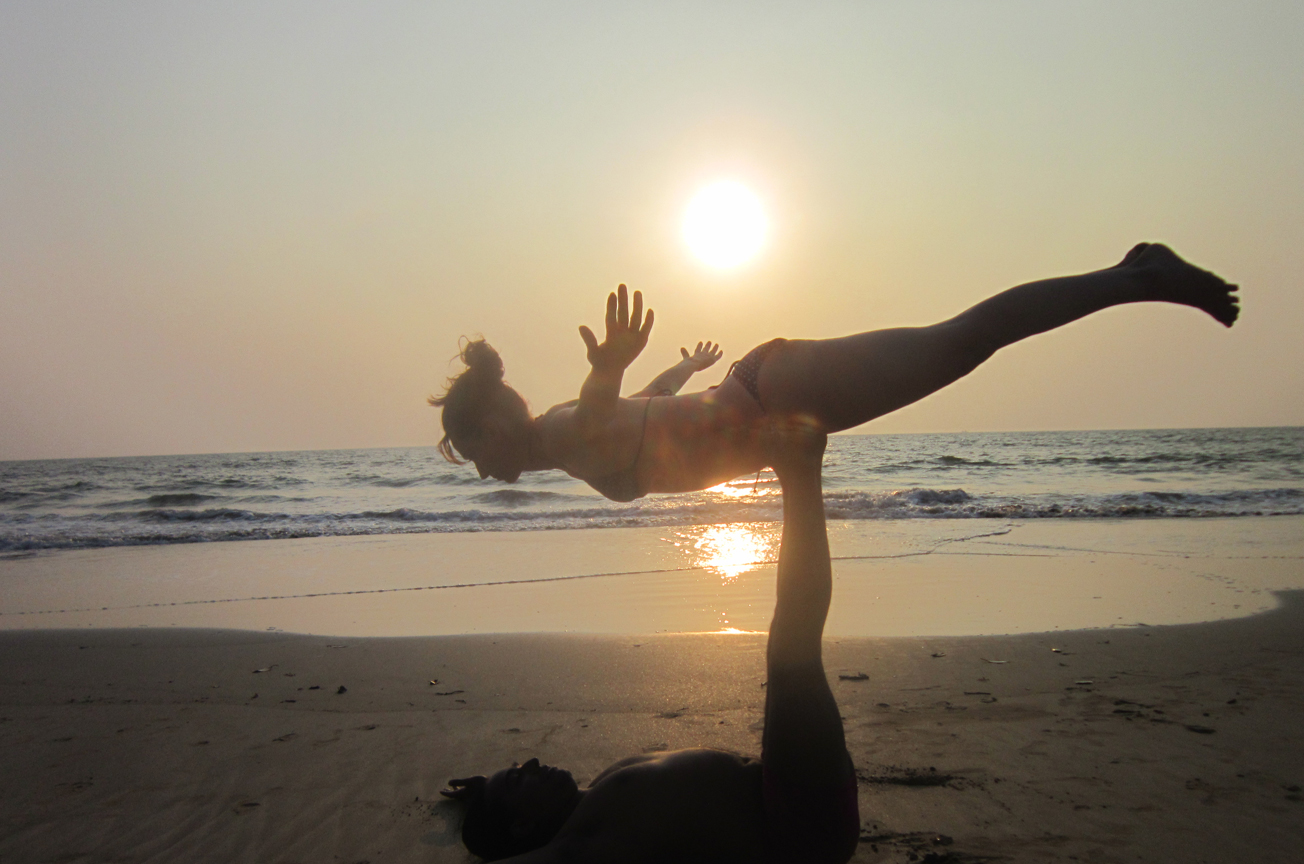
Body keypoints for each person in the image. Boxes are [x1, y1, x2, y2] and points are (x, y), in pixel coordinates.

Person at [431, 243, 1239, 501]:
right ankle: (1132, 277)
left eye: (475, 452)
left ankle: (1135, 274)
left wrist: (607, 368)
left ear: (494, 419)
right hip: (762, 393)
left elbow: (607, 413)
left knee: (962, 341)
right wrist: (679, 366)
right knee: (962, 344)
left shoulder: (569, 428)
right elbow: (644, 412)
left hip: (775, 394)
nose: (485, 469)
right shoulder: (570, 442)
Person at [442, 428, 858, 863]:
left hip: (781, 785)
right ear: (523, 826)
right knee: (792, 649)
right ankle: (800, 462)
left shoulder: (595, 797)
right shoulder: (582, 845)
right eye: (517, 780)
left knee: (788, 651)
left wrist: (486, 793)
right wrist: (495, 808)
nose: (529, 762)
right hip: (799, 828)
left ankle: (798, 462)